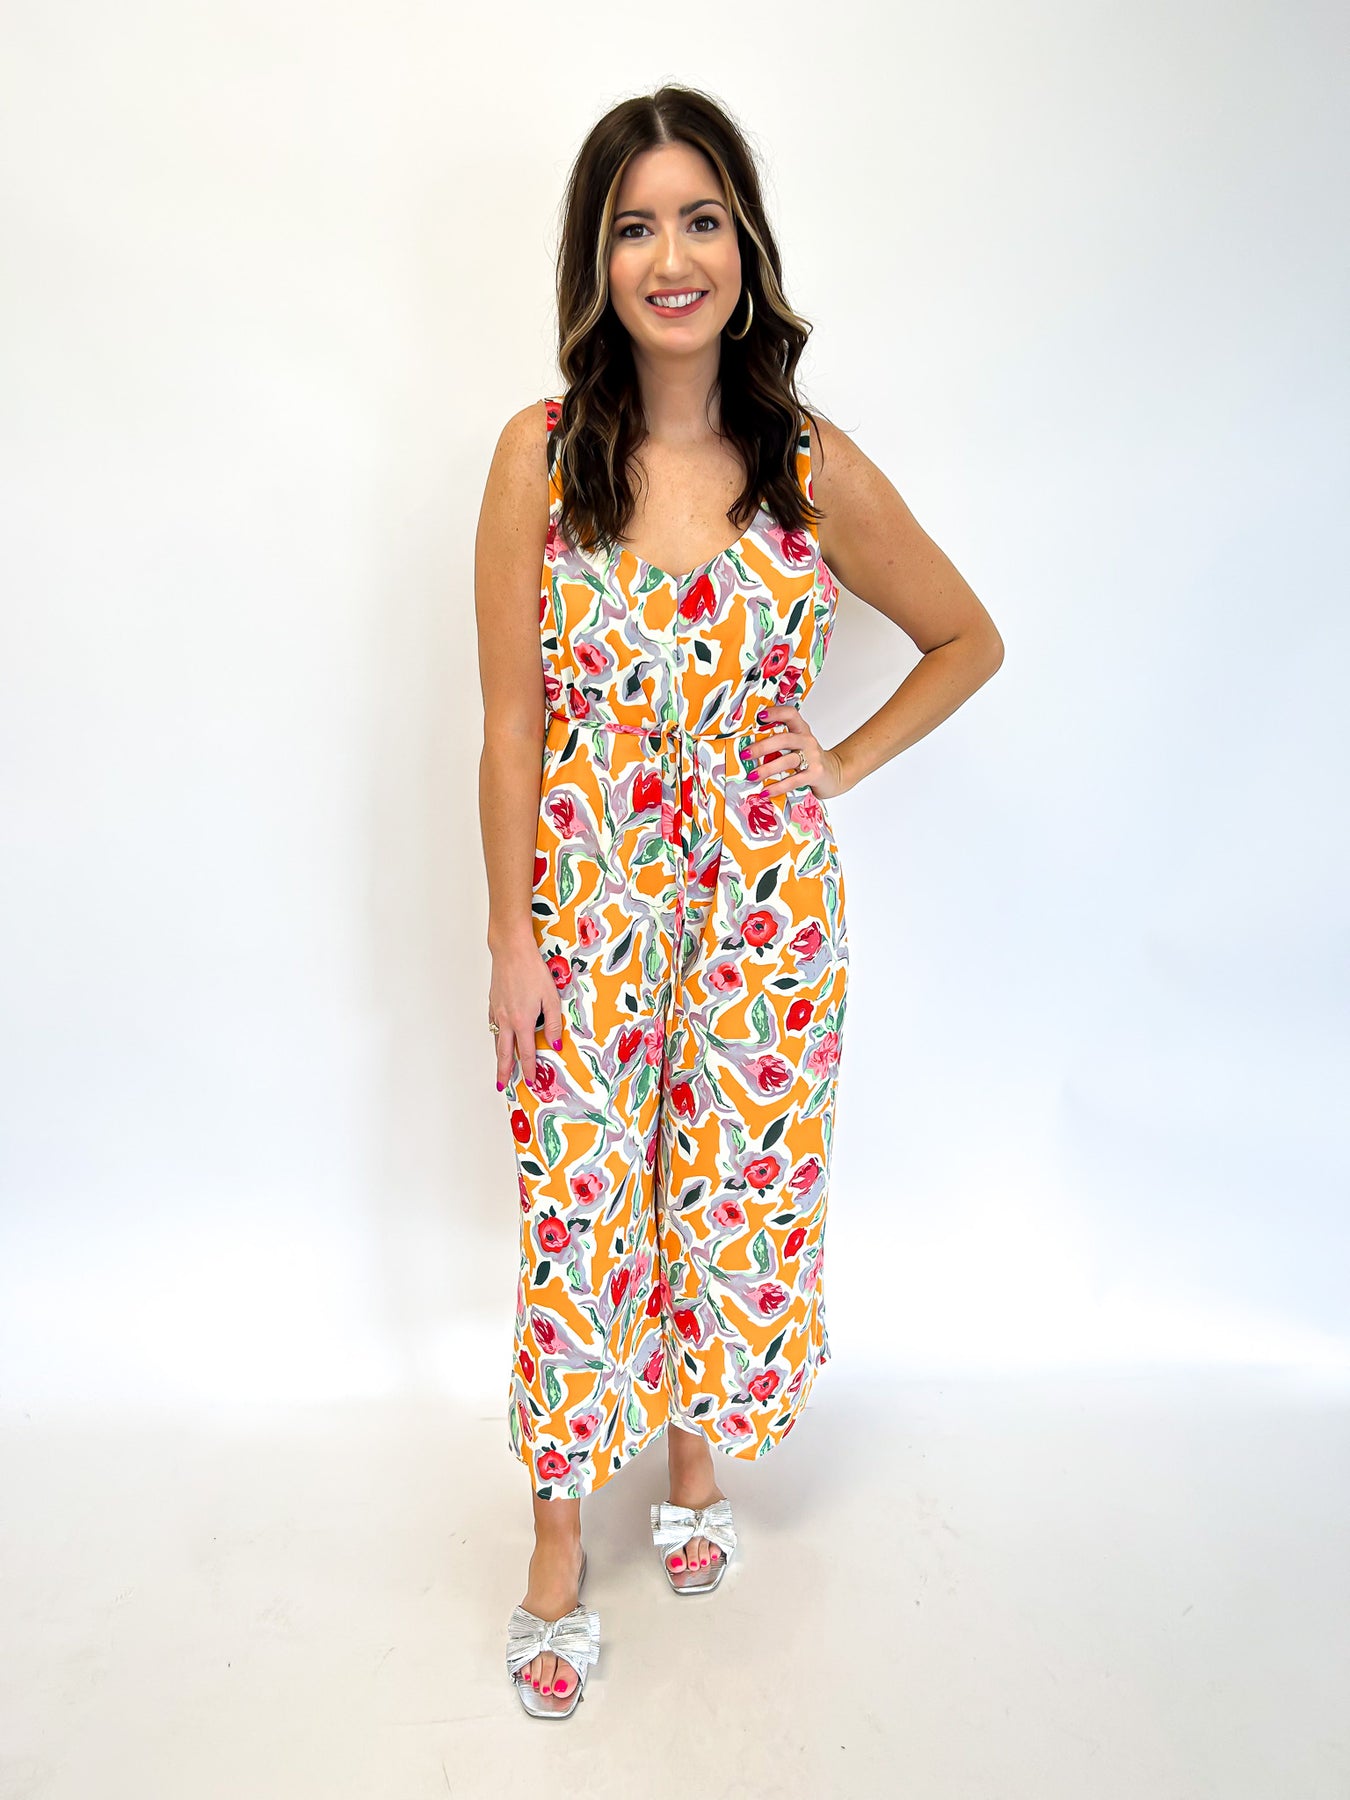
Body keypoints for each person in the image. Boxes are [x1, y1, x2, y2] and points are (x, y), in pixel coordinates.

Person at [474, 83, 1003, 1718]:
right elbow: (510, 728)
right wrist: (508, 938)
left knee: (729, 1200)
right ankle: (556, 1541)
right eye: (634, 226)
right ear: (596, 260)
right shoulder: (538, 458)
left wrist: (834, 761)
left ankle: (694, 1466)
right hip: (587, 907)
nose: (670, 257)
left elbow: (966, 638)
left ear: (744, 244)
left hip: (763, 912)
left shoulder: (805, 464)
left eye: (699, 219)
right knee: (577, 1212)